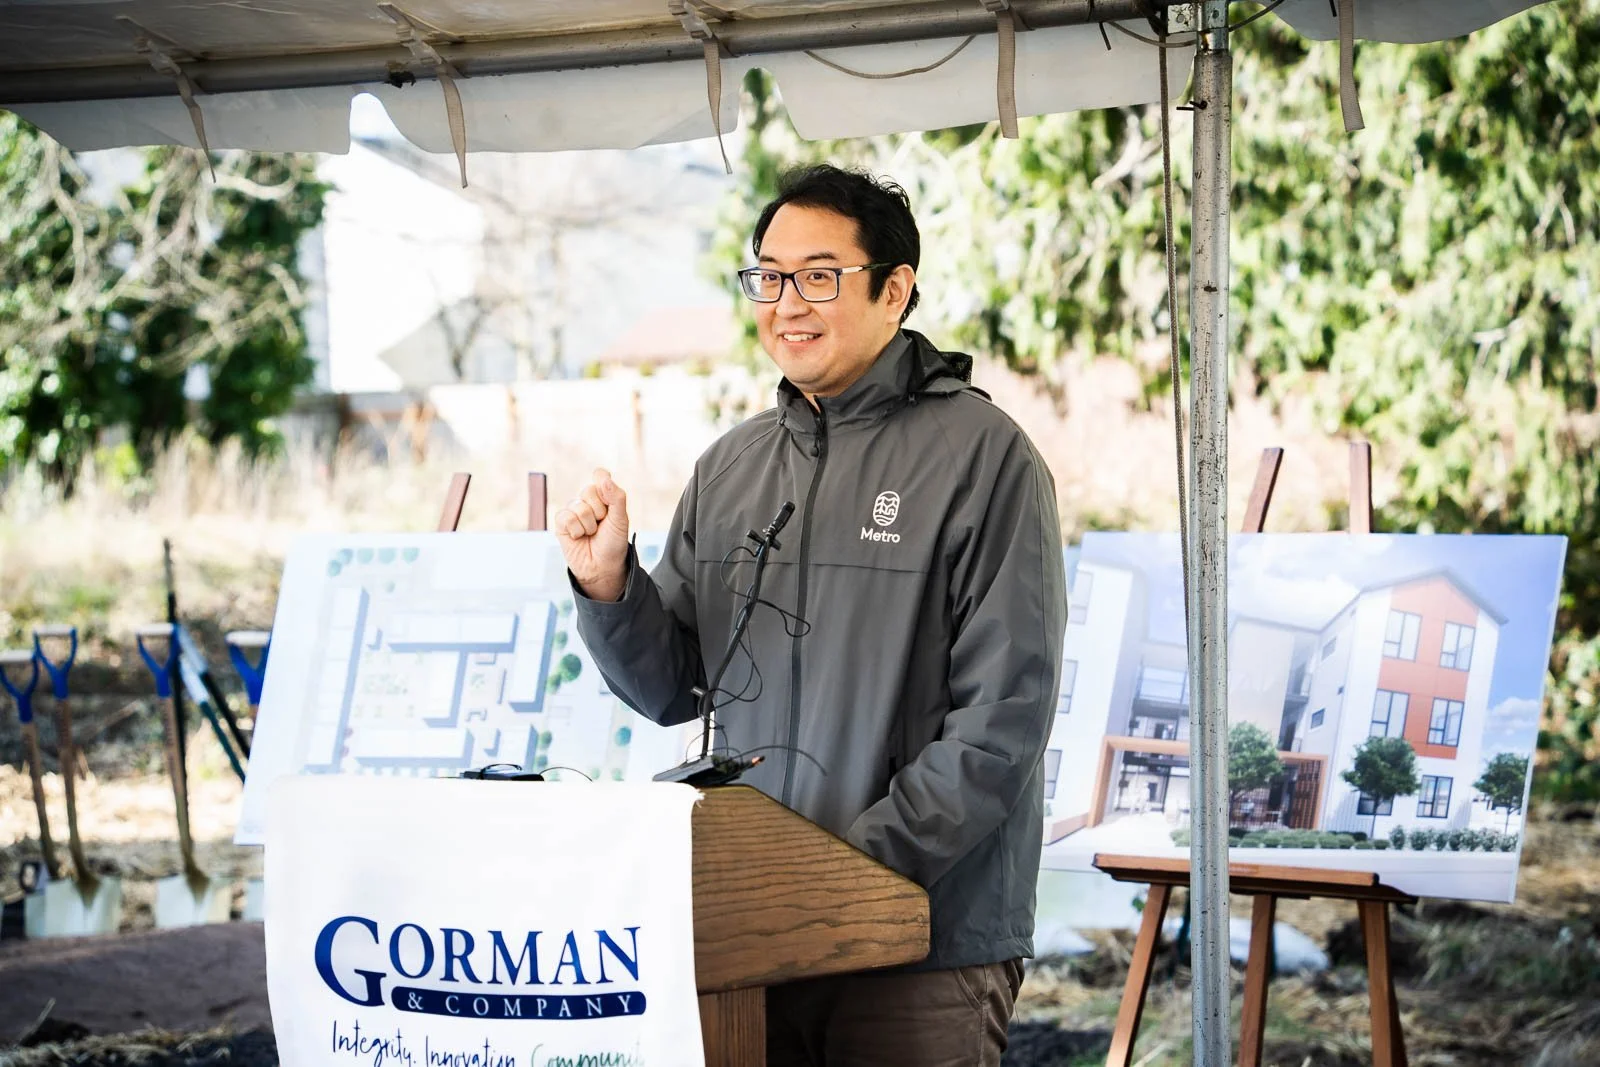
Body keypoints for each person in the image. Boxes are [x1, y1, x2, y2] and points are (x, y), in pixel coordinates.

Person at [556, 164, 1066, 1067]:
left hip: (921, 934)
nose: (788, 301)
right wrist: (609, 587)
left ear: (894, 289)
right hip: (750, 930)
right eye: (770, 275)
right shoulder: (731, 466)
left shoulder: (986, 460)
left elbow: (1000, 723)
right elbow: (674, 688)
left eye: (820, 274)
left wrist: (839, 878)